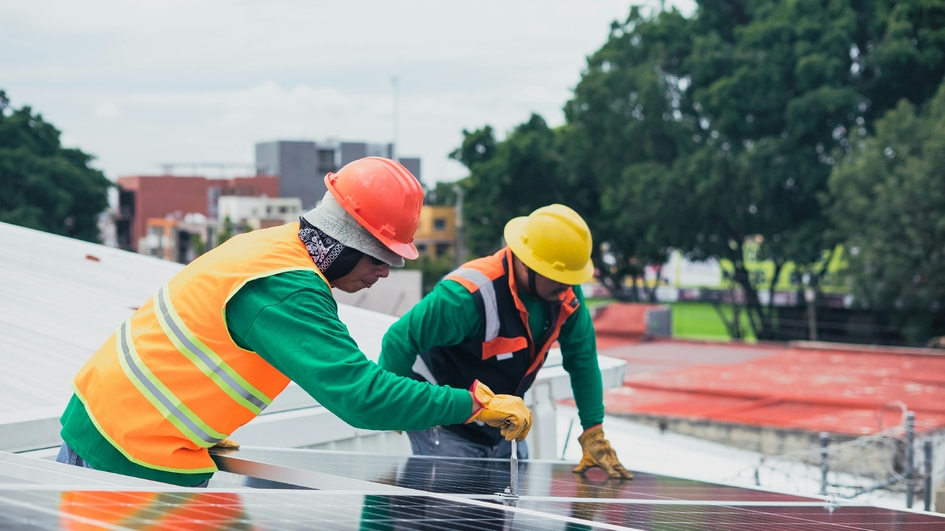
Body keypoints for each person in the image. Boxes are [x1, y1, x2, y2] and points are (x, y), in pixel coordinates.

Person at [55, 157, 531, 487]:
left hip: (120, 429)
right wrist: (473, 404)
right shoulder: (287, 289)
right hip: (127, 453)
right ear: (347, 240)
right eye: (381, 257)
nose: (385, 272)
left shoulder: (274, 247)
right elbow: (361, 398)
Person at [378, 204, 632, 479]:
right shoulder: (466, 296)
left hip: (503, 424)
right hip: (446, 423)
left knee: (502, 512)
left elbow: (582, 361)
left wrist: (593, 430)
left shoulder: (565, 296)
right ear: (526, 263)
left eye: (571, 279)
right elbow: (399, 340)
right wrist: (395, 407)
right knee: (453, 513)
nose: (567, 287)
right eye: (559, 278)